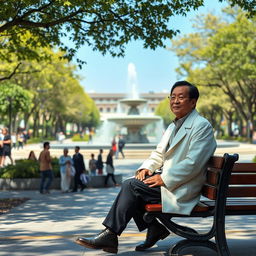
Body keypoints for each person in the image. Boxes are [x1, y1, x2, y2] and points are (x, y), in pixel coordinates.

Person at [75, 81, 217, 254]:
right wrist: (147, 168)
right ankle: (153, 229)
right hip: (173, 184)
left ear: (193, 102)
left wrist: (163, 178)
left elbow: (193, 162)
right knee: (135, 183)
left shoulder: (201, 126)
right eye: (172, 97)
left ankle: (111, 234)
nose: (175, 101)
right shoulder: (173, 126)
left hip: (182, 188)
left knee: (131, 186)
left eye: (181, 97)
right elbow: (158, 153)